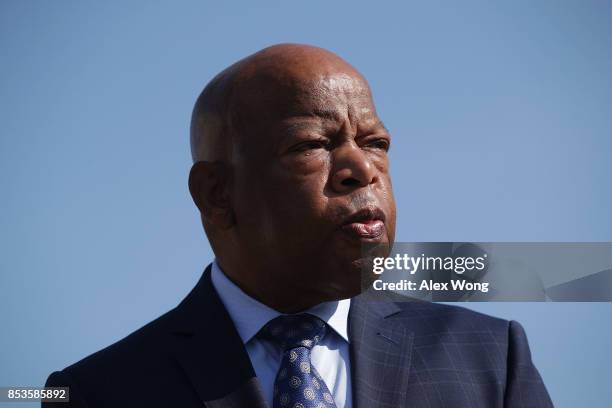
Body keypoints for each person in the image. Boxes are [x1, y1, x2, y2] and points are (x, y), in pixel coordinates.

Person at [44, 44, 552, 407]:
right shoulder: (98, 392)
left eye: (375, 143)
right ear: (217, 194)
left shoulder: (490, 360)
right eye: (313, 145)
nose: (362, 168)